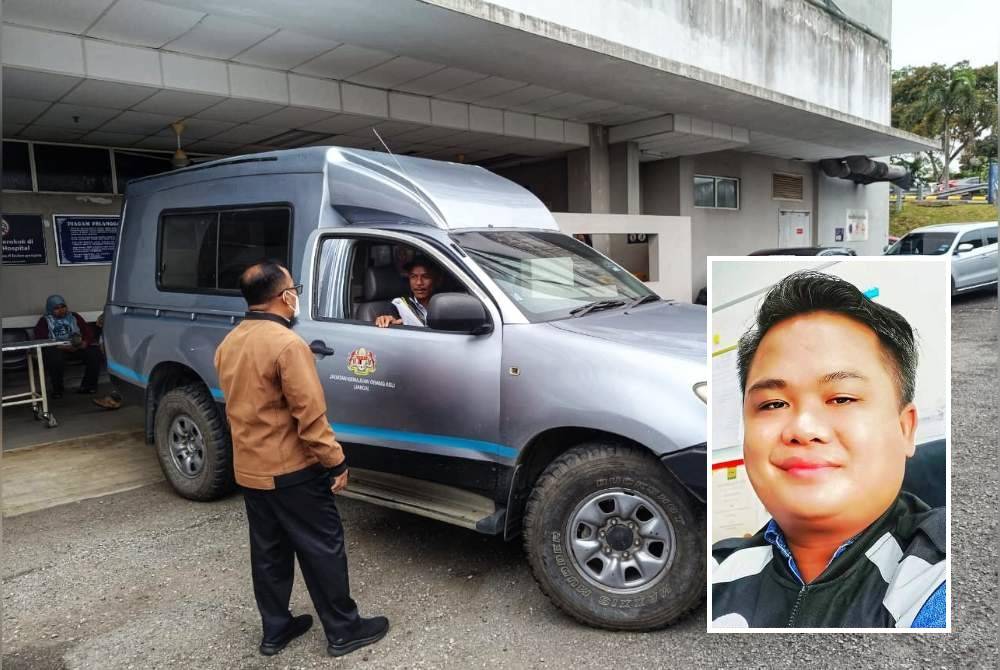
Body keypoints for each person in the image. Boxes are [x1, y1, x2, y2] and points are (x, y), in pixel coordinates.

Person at [712, 270, 946, 629]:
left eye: (841, 398)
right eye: (773, 404)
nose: (803, 429)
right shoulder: (712, 573)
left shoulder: (939, 573)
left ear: (905, 428)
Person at [214, 260, 389, 657]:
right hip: (292, 471)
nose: (298, 296)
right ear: (283, 296)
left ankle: (275, 630)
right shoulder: (287, 345)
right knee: (322, 548)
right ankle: (344, 630)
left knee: (269, 552)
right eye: (295, 288)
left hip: (251, 470)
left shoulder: (231, 342)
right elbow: (309, 415)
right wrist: (335, 462)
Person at [33, 294, 101, 398]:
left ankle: (88, 386)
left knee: (94, 352)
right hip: (57, 348)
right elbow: (41, 339)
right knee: (54, 357)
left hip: (76, 347)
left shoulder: (74, 317)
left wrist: (85, 342)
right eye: (56, 308)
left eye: (63, 307)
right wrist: (60, 346)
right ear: (50, 309)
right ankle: (57, 389)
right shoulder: (45, 321)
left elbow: (88, 332)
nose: (61, 310)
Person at [374, 256, 441, 328]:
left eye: (425, 276)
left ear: (437, 280)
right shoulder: (399, 304)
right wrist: (386, 320)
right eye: (413, 277)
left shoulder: (444, 305)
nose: (419, 282)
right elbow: (392, 320)